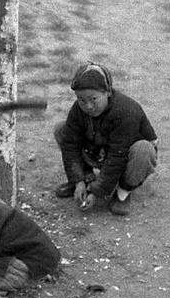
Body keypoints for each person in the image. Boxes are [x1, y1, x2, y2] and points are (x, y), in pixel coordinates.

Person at [54, 61, 158, 216]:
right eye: (81, 100)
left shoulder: (126, 111)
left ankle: (123, 193)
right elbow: (70, 145)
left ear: (108, 92)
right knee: (62, 129)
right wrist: (78, 181)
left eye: (93, 99)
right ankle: (85, 180)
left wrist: (97, 192)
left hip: (127, 158)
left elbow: (118, 156)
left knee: (143, 149)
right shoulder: (78, 109)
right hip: (101, 150)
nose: (88, 106)